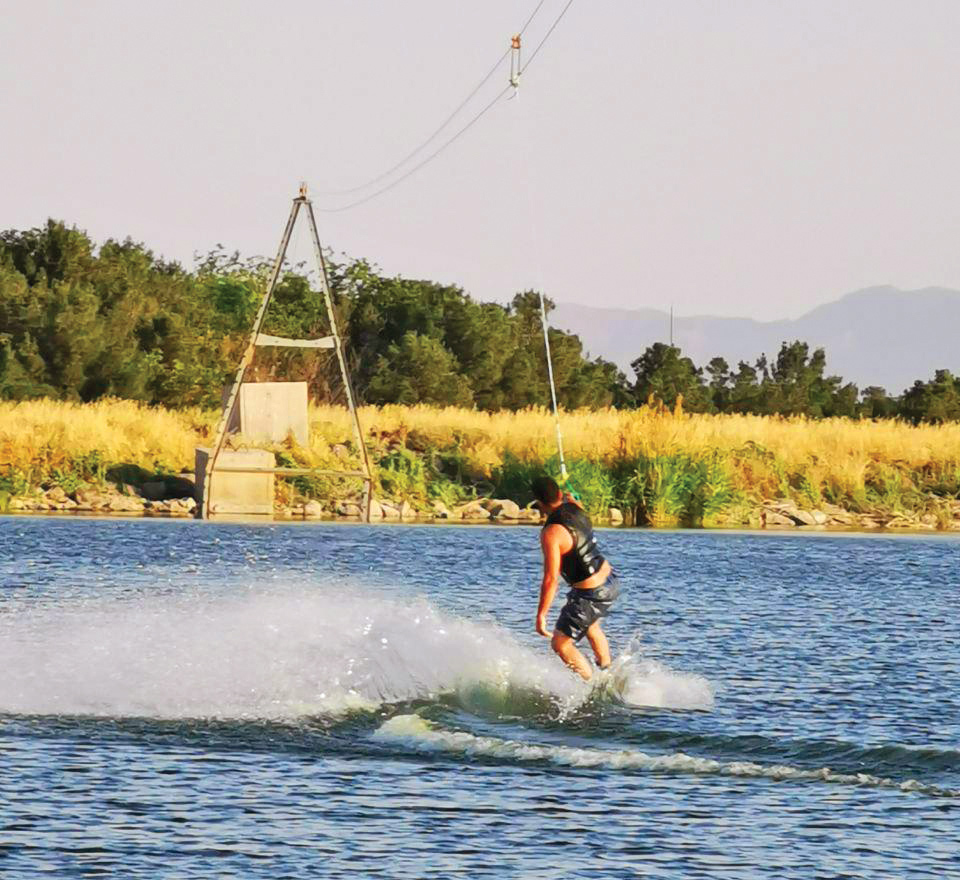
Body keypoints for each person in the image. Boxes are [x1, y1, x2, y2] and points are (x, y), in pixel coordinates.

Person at [530, 475, 620, 681]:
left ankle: (590, 686)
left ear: (539, 503)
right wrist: (570, 497)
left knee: (560, 643)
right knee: (590, 624)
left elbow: (551, 578)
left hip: (592, 592)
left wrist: (541, 616)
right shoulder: (576, 506)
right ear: (560, 495)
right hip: (610, 580)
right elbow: (572, 502)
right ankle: (608, 672)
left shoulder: (551, 533)